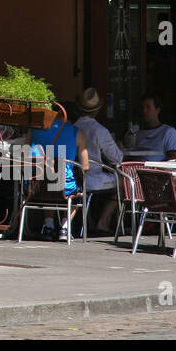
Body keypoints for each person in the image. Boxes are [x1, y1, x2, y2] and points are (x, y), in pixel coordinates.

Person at [28, 108, 88, 241]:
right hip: (64, 185)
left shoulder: (34, 130)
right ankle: (64, 227)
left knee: (47, 184)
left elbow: (24, 155)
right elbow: (85, 166)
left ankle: (48, 226)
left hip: (36, 186)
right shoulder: (76, 132)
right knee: (78, 190)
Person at [72, 87, 122, 234]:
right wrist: (120, 146)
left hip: (75, 176)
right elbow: (117, 158)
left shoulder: (73, 127)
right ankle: (103, 221)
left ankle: (91, 221)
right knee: (123, 182)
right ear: (97, 110)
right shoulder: (99, 130)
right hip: (92, 177)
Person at [131, 94, 176, 162]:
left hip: (157, 171)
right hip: (133, 170)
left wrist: (155, 168)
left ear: (157, 110)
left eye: (148, 107)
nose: (144, 111)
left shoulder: (169, 132)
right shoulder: (137, 134)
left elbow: (174, 159)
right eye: (142, 108)